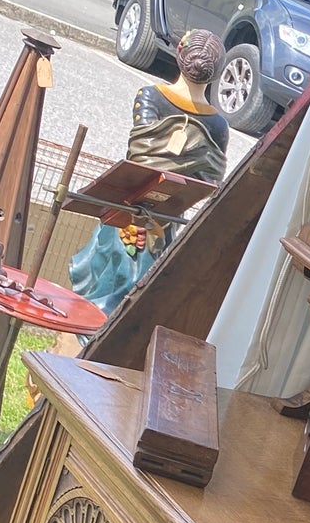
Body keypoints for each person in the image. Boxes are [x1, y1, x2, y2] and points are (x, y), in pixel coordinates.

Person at [69, 29, 228, 314]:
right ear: (215, 73)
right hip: (167, 217)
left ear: (180, 54)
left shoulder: (150, 97)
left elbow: (142, 154)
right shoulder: (218, 126)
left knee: (103, 279)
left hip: (127, 203)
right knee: (141, 289)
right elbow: (210, 181)